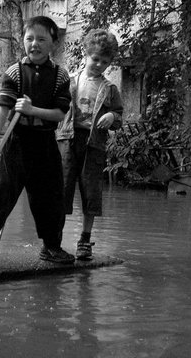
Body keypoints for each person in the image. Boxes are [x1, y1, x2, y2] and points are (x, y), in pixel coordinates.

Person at [0, 16, 74, 271]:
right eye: (29, 38)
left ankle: (51, 246)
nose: (34, 44)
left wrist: (33, 109)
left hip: (46, 141)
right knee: (6, 194)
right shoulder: (14, 72)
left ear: (53, 43)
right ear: (23, 41)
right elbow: (3, 108)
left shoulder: (60, 75)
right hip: (18, 141)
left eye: (42, 39)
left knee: (51, 195)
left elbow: (59, 114)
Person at [56, 29, 123, 260]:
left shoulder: (110, 89)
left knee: (91, 191)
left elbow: (119, 116)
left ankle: (85, 240)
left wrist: (112, 117)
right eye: (95, 59)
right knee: (62, 188)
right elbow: (56, 107)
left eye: (105, 62)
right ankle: (54, 240)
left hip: (93, 144)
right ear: (86, 55)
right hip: (67, 139)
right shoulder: (69, 81)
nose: (99, 65)